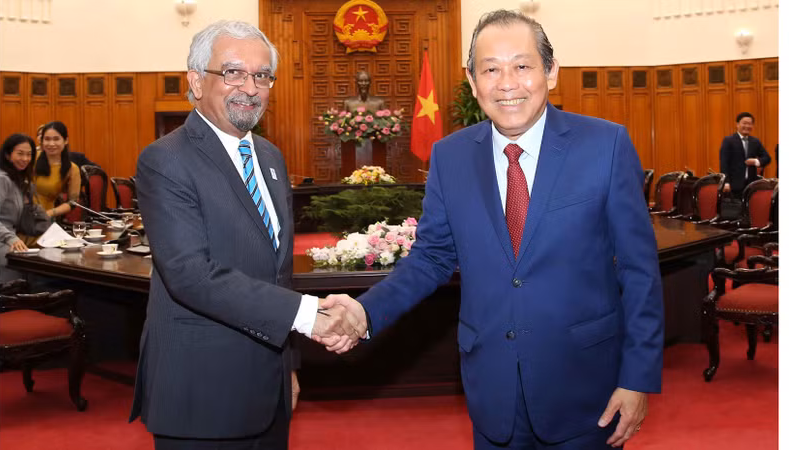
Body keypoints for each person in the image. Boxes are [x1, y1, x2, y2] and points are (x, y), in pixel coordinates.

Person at [323, 10, 664, 449]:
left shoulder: (606, 145)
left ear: (551, 72)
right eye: (490, 69)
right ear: (472, 79)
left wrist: (638, 378)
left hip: (585, 387)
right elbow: (431, 258)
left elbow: (639, 270)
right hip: (492, 391)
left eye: (522, 66)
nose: (507, 83)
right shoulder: (450, 156)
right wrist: (366, 312)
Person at [128, 20, 363, 450]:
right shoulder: (166, 160)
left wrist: (288, 367)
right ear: (196, 82)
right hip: (201, 393)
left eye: (262, 75)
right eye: (233, 72)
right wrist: (310, 316)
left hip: (267, 389)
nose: (250, 87)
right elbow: (190, 275)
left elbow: (277, 274)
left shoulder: (270, 158)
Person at [0, 133, 44, 281]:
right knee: (28, 265)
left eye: (29, 155)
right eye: (20, 154)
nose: (25, 159)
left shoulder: (18, 179)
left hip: (12, 236)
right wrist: (11, 239)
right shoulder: (0, 179)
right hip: (0, 239)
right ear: (7, 155)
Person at [32, 121, 80, 219]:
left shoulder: (72, 169)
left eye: (56, 139)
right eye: (47, 139)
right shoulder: (31, 158)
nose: (51, 143)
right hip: (19, 215)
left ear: (65, 140)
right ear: (41, 141)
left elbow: (72, 202)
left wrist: (49, 213)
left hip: (43, 218)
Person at [719, 112, 771, 199]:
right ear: (737, 124)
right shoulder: (728, 140)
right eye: (744, 123)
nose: (747, 126)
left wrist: (756, 161)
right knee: (735, 211)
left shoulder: (755, 141)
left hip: (751, 185)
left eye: (749, 124)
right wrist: (726, 182)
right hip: (733, 185)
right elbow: (724, 163)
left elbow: (767, 158)